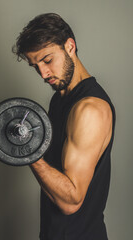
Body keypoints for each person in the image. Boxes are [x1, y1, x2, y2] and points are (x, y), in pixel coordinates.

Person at [13, 13, 116, 240]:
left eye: (47, 60)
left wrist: (28, 151)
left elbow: (71, 201)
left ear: (70, 46)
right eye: (35, 66)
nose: (43, 73)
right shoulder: (60, 97)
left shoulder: (89, 109)